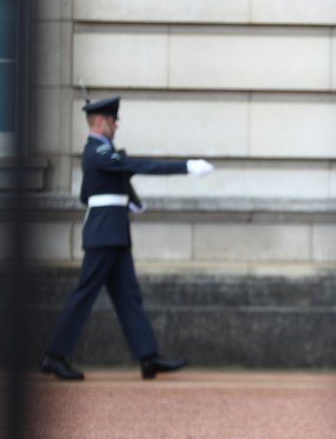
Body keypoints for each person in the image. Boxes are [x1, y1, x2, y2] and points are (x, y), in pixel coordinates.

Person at [39, 95, 214, 381]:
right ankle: (54, 356)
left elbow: (91, 191)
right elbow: (136, 166)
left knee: (128, 296)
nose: (116, 125)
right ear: (99, 121)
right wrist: (186, 166)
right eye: (112, 120)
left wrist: (131, 200)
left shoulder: (102, 154)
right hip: (104, 234)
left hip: (113, 232)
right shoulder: (97, 152)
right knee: (84, 295)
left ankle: (148, 356)